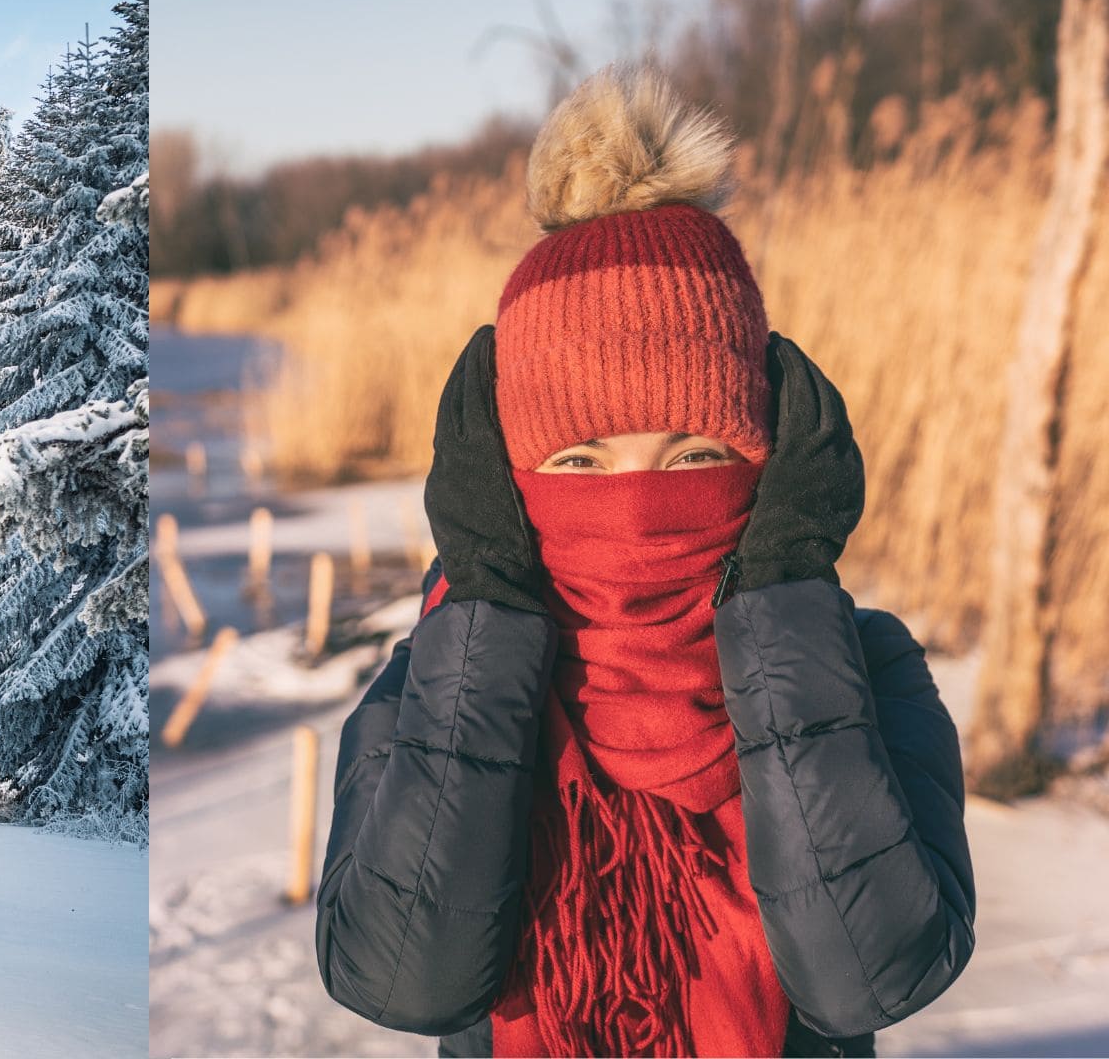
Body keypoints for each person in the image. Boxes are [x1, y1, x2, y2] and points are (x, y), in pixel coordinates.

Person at [313, 64, 976, 1058]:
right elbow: (405, 978)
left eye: (695, 456)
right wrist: (488, 611)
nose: (637, 500)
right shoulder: (435, 680)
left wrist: (785, 595)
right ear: (514, 480)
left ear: (765, 460)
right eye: (580, 462)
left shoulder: (866, 669)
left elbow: (869, 973)